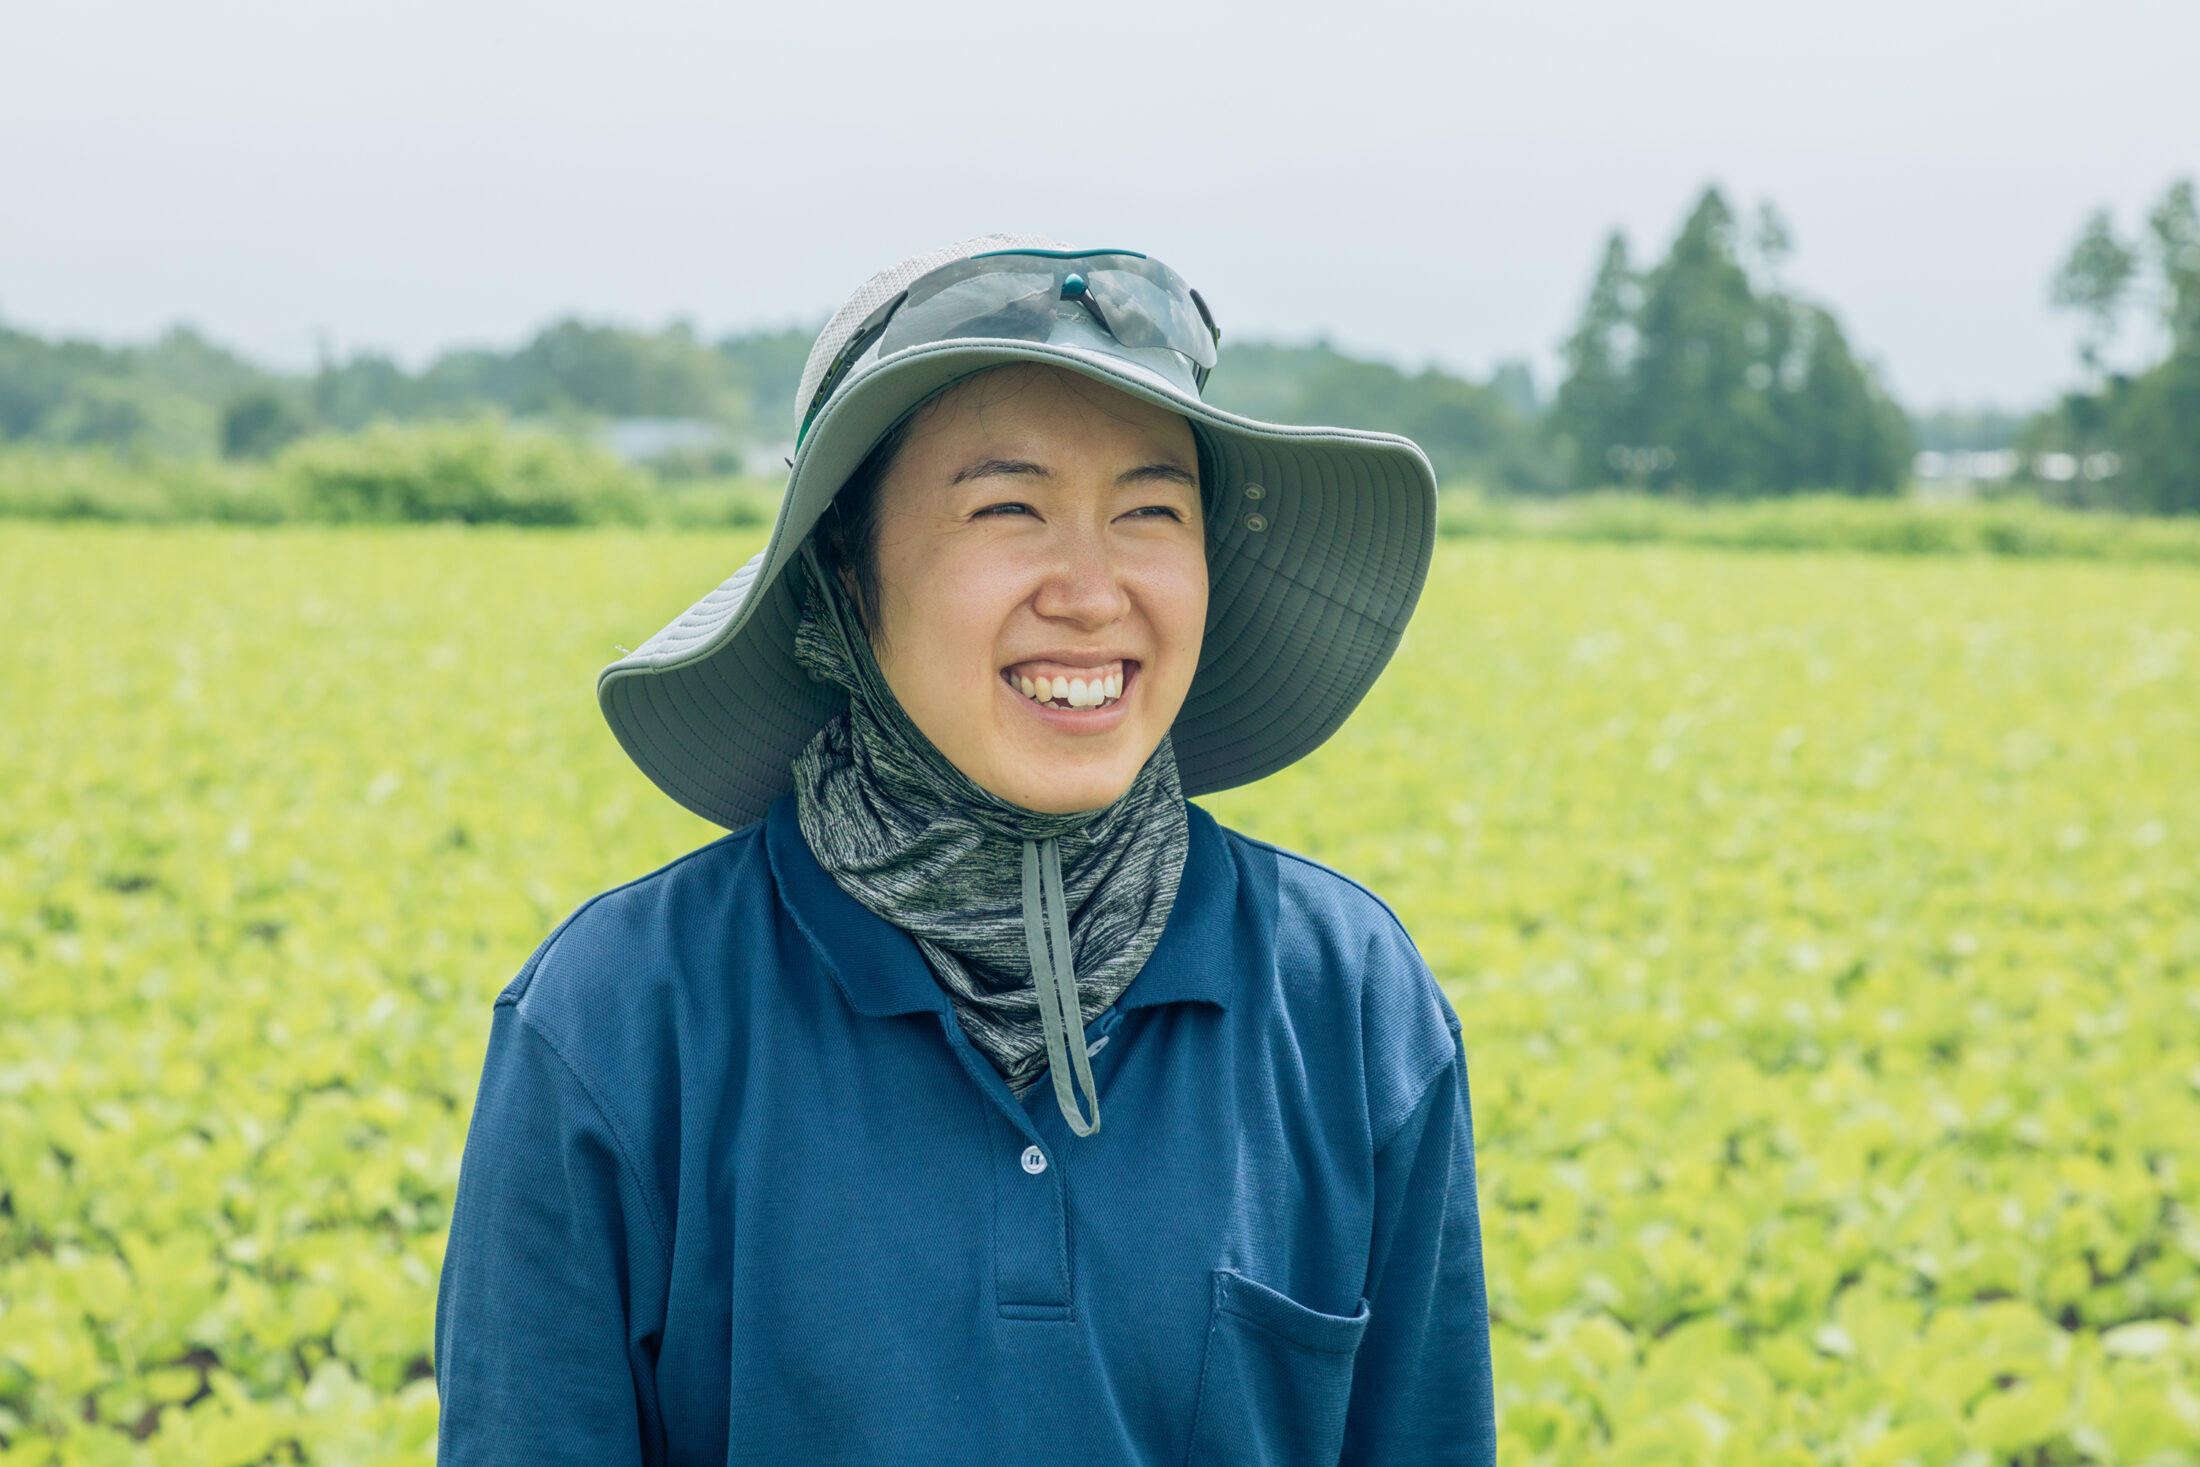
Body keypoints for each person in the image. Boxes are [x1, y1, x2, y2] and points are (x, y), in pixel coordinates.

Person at [433, 235, 1495, 1465]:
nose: (1093, 593)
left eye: (1151, 510)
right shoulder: (622, 1017)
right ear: (842, 563)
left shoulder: (1347, 1001)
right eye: (1009, 507)